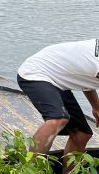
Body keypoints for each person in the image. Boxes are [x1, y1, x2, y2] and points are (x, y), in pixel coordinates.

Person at [17, 39, 99, 172]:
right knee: (57, 118)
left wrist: (96, 107)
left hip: (58, 80)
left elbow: (88, 78)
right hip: (36, 72)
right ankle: (29, 169)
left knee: (81, 134)